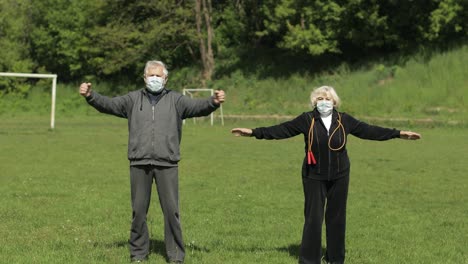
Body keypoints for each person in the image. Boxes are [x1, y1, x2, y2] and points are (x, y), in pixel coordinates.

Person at [231, 85, 420, 264]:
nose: (324, 101)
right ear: (314, 102)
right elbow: (282, 129)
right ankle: (309, 260)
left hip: (340, 175)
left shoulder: (345, 120)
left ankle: (335, 258)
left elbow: (369, 130)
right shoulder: (307, 119)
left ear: (335, 102)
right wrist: (253, 132)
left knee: (337, 217)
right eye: (320, 98)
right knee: (313, 218)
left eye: (328, 98)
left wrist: (398, 133)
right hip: (313, 175)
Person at [79, 60, 225, 263]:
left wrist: (213, 102)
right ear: (144, 78)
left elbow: (197, 107)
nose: (154, 79)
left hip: (168, 163)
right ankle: (138, 254)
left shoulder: (176, 100)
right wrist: (90, 96)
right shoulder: (132, 99)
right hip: (139, 162)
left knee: (171, 211)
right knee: (138, 211)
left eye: (158, 75)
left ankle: (175, 256)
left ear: (165, 78)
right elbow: (110, 104)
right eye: (151, 75)